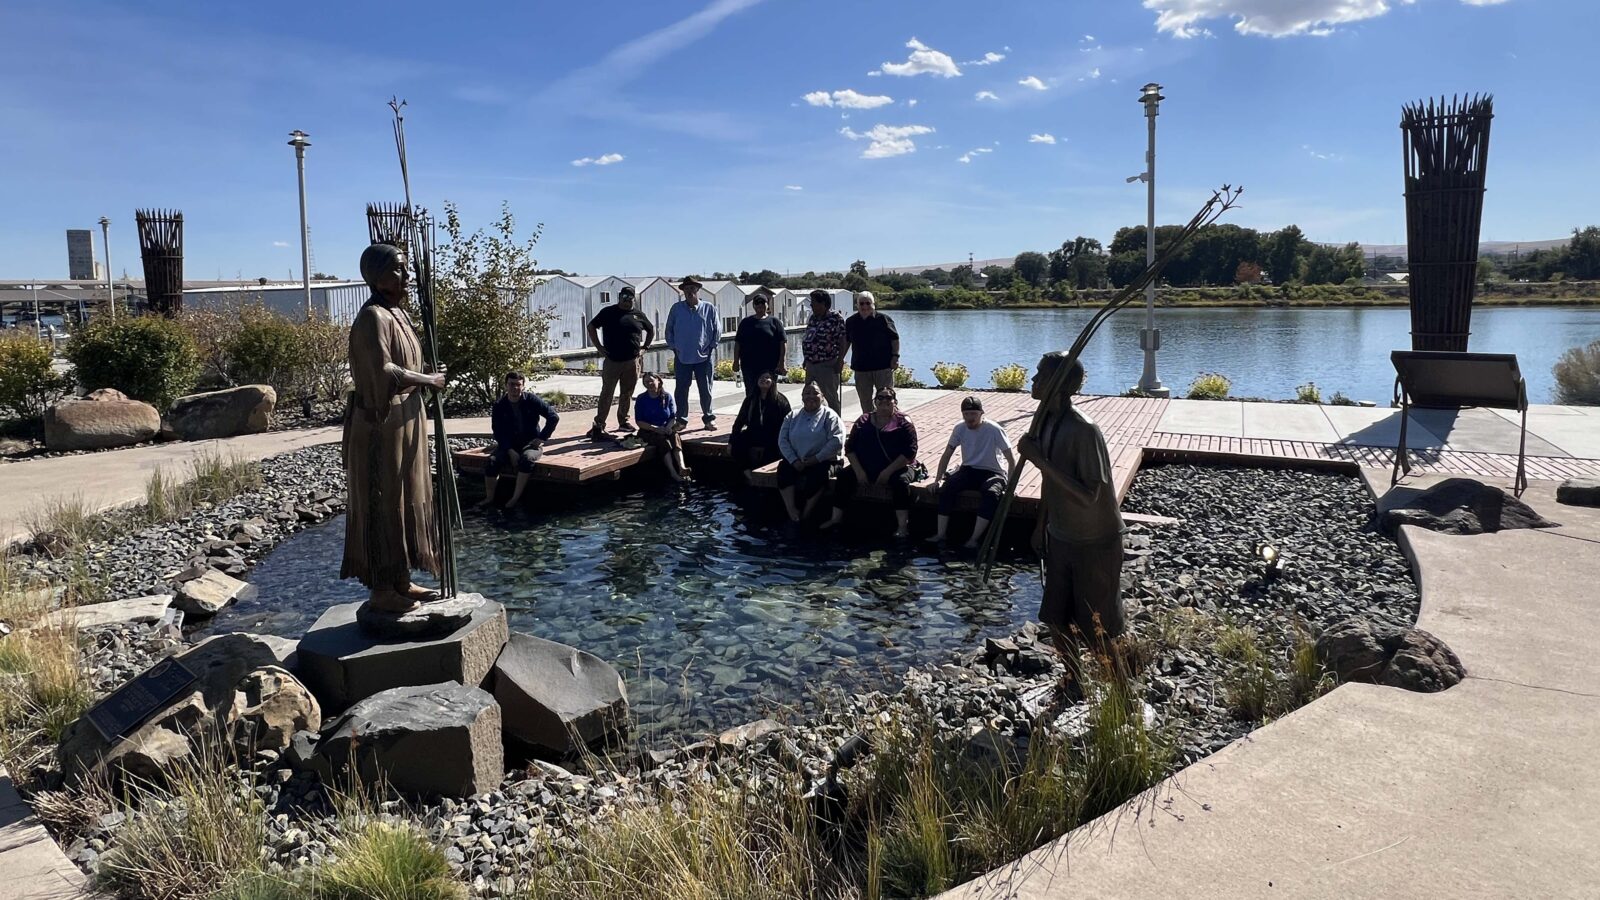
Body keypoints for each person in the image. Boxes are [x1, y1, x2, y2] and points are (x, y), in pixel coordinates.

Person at [341, 242, 446, 613]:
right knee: (384, 500)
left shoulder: (397, 314)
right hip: (381, 426)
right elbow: (384, 372)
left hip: (407, 419)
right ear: (377, 276)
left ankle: (401, 578)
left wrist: (424, 380)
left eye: (405, 268)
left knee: (407, 497)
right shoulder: (374, 317)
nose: (406, 276)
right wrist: (428, 380)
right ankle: (382, 588)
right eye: (398, 269)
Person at [1016, 353, 1125, 702]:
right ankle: (1075, 681)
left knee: (1096, 628)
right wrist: (1040, 525)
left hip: (1094, 540)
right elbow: (1051, 484)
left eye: (1039, 376)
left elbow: (1089, 496)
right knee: (1055, 617)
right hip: (1061, 536)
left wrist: (1039, 460)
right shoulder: (1046, 422)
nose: (1032, 381)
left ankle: (1123, 695)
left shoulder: (1083, 430)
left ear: (1058, 385)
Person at [822, 386, 919, 538]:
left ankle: (902, 526)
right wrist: (859, 471)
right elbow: (850, 448)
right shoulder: (863, 420)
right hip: (866, 466)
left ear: (895, 402)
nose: (884, 401)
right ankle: (835, 519)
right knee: (844, 477)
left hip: (897, 467)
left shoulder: (903, 423)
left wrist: (887, 472)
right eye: (880, 397)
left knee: (900, 484)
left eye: (888, 398)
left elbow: (909, 452)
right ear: (875, 401)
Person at [929, 395, 1017, 549]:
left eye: (973, 414)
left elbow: (1011, 459)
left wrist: (1011, 486)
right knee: (947, 488)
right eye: (966, 415)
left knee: (990, 493)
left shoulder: (994, 430)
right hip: (969, 469)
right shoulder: (960, 428)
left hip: (993, 472)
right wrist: (937, 480)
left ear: (981, 414)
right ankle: (941, 534)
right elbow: (947, 454)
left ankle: (974, 539)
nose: (970, 418)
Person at [480, 371, 559, 509]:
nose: (515, 388)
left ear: (523, 386)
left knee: (527, 460)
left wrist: (541, 438)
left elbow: (553, 417)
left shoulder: (531, 400)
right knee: (492, 462)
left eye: (518, 385)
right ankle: (489, 497)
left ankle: (515, 498)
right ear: (506, 385)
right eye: (511, 384)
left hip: (530, 444)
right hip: (509, 444)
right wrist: (510, 450)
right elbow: (497, 431)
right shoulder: (500, 405)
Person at [586, 284, 654, 440]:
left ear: (633, 300)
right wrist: (599, 348)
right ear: (619, 298)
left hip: (632, 361)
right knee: (607, 393)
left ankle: (623, 421)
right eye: (624, 298)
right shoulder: (608, 312)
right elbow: (591, 326)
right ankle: (599, 424)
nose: (627, 301)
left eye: (630, 298)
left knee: (627, 393)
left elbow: (650, 330)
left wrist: (645, 348)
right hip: (612, 360)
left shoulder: (638, 315)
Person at [777, 381, 844, 523]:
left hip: (824, 460)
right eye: (807, 393)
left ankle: (807, 512)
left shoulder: (830, 416)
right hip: (798, 460)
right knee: (783, 470)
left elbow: (837, 441)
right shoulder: (792, 416)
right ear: (802, 397)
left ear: (822, 396)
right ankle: (791, 510)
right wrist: (793, 460)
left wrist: (816, 458)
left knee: (818, 477)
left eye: (815, 393)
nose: (811, 396)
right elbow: (782, 440)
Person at [663, 276, 720, 430]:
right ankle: (681, 420)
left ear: (697, 290)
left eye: (692, 288)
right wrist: (674, 347)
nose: (689, 291)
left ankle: (708, 418)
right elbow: (669, 330)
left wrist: (711, 347)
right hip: (682, 357)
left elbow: (717, 330)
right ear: (683, 291)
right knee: (681, 389)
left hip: (704, 357)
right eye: (686, 289)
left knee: (705, 389)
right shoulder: (676, 308)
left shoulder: (709, 308)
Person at [842, 291, 900, 416]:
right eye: (861, 303)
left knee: (886, 399)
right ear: (857, 305)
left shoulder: (884, 319)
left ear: (873, 304)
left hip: (883, 366)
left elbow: (894, 339)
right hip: (861, 368)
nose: (865, 306)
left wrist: (895, 357)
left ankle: (889, 424)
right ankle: (869, 426)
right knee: (865, 401)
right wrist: (840, 359)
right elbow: (846, 341)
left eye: (868, 303)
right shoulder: (851, 321)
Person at [729, 370, 790, 474]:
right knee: (738, 443)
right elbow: (739, 422)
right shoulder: (750, 399)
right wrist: (731, 441)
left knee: (772, 452)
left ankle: (764, 478)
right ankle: (746, 471)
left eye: (767, 378)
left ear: (773, 381)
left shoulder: (781, 401)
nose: (764, 380)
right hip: (754, 433)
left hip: (773, 435)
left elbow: (788, 423)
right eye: (761, 378)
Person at [732, 287, 787, 403]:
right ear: (754, 306)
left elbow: (783, 343)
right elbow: (738, 343)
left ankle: (770, 417)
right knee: (751, 393)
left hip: (770, 366)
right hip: (749, 366)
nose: (760, 306)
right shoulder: (745, 322)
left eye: (763, 303)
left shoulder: (775, 322)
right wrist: (736, 361)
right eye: (757, 303)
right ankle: (752, 418)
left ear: (767, 305)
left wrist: (782, 363)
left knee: (770, 393)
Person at [634, 371, 690, 482]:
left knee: (674, 436)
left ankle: (681, 467)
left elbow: (673, 416)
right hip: (648, 430)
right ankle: (673, 472)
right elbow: (639, 421)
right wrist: (655, 428)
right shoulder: (641, 399)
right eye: (646, 382)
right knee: (663, 441)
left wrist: (669, 427)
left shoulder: (667, 396)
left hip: (665, 428)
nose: (649, 383)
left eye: (651, 381)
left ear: (658, 381)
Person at [800, 289, 846, 414]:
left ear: (823, 304)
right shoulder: (813, 318)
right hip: (811, 363)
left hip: (827, 363)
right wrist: (806, 358)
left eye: (813, 303)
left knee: (831, 397)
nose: (811, 306)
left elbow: (842, 341)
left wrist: (840, 360)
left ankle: (835, 424)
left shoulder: (835, 318)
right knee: (809, 395)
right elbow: (809, 337)